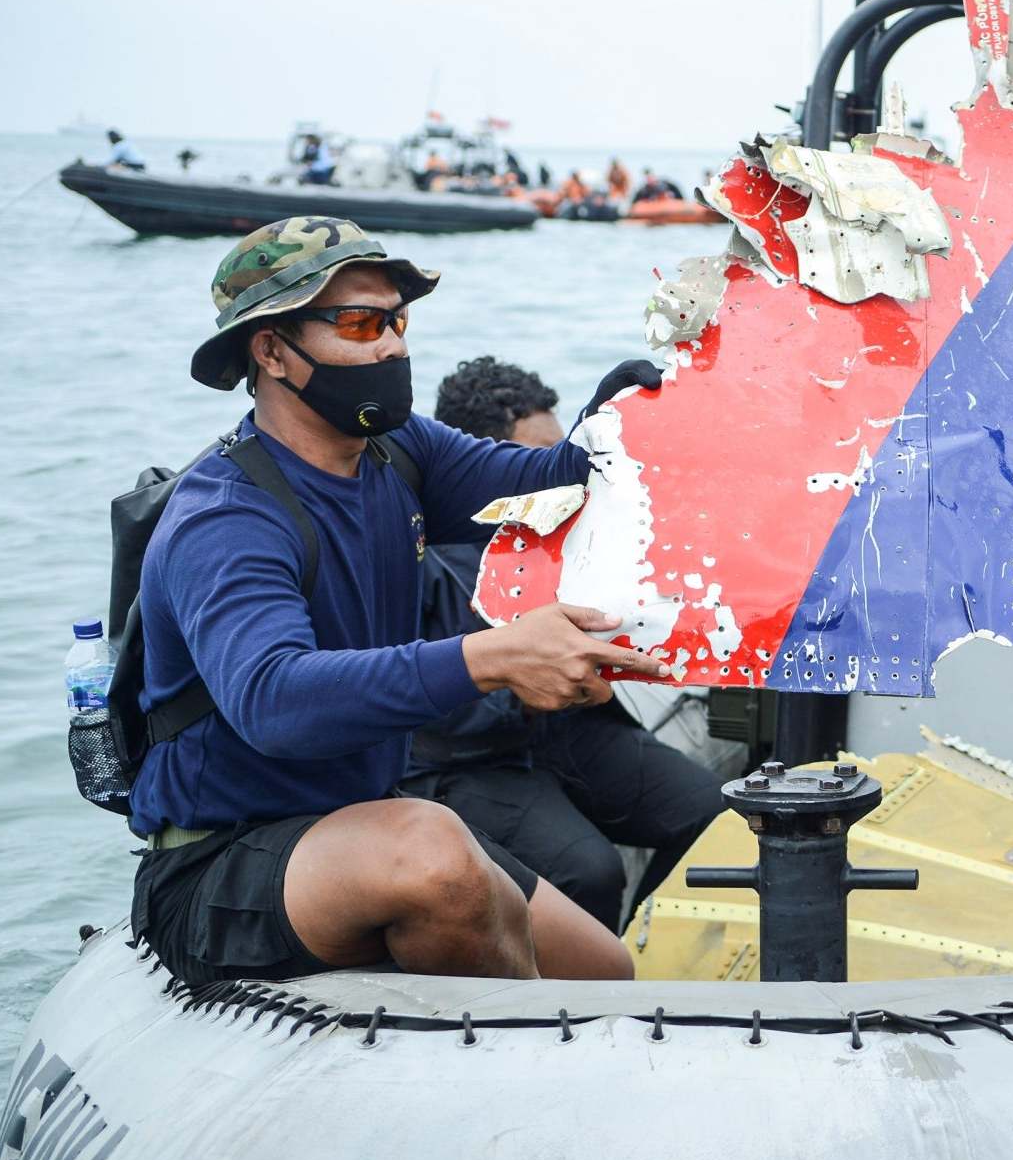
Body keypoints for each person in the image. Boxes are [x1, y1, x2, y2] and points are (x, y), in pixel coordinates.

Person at [129, 215, 676, 993]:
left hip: (360, 812)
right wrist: (494, 657)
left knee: (604, 966)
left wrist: (620, 414)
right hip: (223, 858)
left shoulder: (400, 452)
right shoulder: (226, 516)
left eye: (398, 319)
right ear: (272, 349)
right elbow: (273, 700)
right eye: (358, 322)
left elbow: (551, 482)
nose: (390, 344)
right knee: (432, 848)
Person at [399, 357, 725, 931]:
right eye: (532, 459)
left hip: (566, 728)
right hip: (468, 757)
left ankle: (639, 944)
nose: (558, 481)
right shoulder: (424, 562)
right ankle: (563, 1002)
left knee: (715, 813)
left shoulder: (571, 540)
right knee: (588, 871)